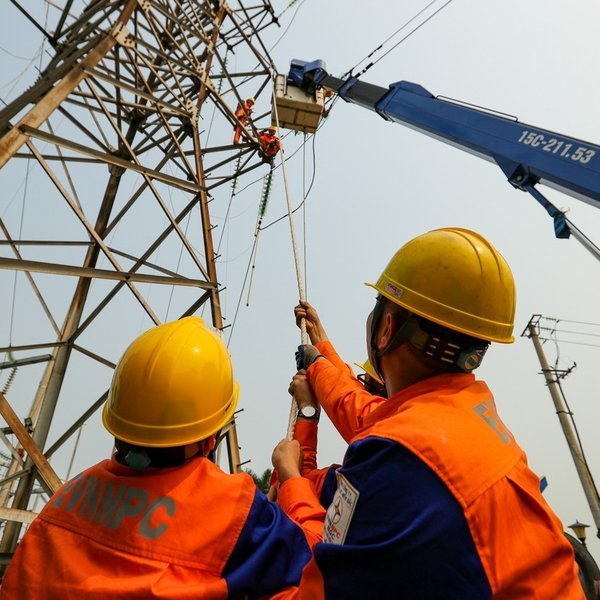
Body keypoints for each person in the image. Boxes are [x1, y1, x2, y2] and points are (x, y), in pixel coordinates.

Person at [273, 227, 585, 599]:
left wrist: (290, 477)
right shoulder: (466, 416)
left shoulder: (395, 458)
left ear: (386, 328)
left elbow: (317, 579)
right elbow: (362, 409)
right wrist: (321, 354)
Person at [1, 317, 312, 599]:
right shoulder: (236, 512)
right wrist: (293, 476)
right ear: (210, 438)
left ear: (117, 422)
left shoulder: (66, 500)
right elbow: (319, 563)